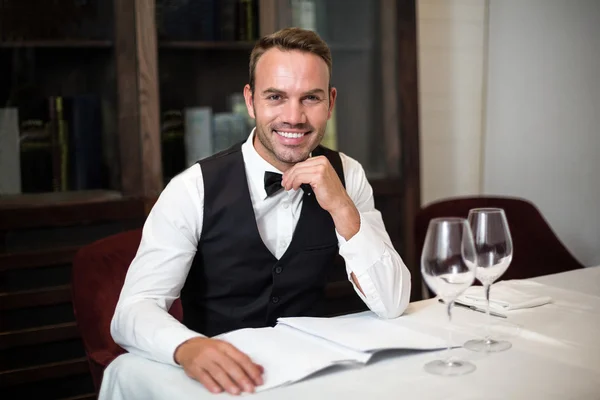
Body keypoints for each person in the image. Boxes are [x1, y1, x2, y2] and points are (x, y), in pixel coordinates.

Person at [110, 27, 411, 396]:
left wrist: (342, 207)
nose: (294, 117)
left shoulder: (348, 175)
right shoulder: (192, 189)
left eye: (310, 98)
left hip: (313, 374)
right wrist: (187, 347)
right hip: (223, 382)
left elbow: (394, 303)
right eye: (276, 97)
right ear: (250, 101)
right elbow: (132, 310)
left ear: (331, 102)